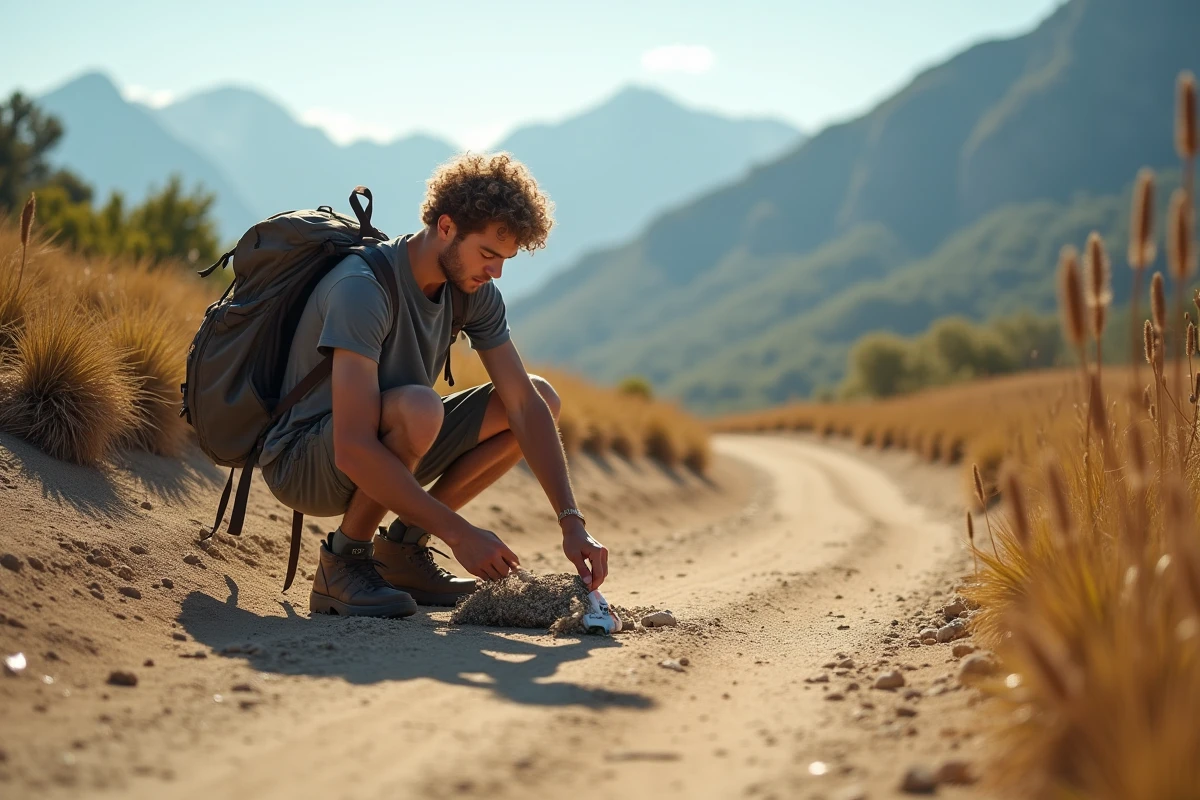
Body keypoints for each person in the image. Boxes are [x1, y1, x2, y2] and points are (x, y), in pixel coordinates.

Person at [257, 153, 608, 617]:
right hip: (307, 459)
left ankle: (402, 550)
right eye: (487, 254)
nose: (495, 272)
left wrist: (572, 523)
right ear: (446, 227)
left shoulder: (473, 294)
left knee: (540, 395)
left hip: (388, 441)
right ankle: (343, 562)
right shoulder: (363, 288)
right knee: (422, 408)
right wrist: (460, 534)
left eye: (505, 259)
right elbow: (353, 448)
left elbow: (523, 405)